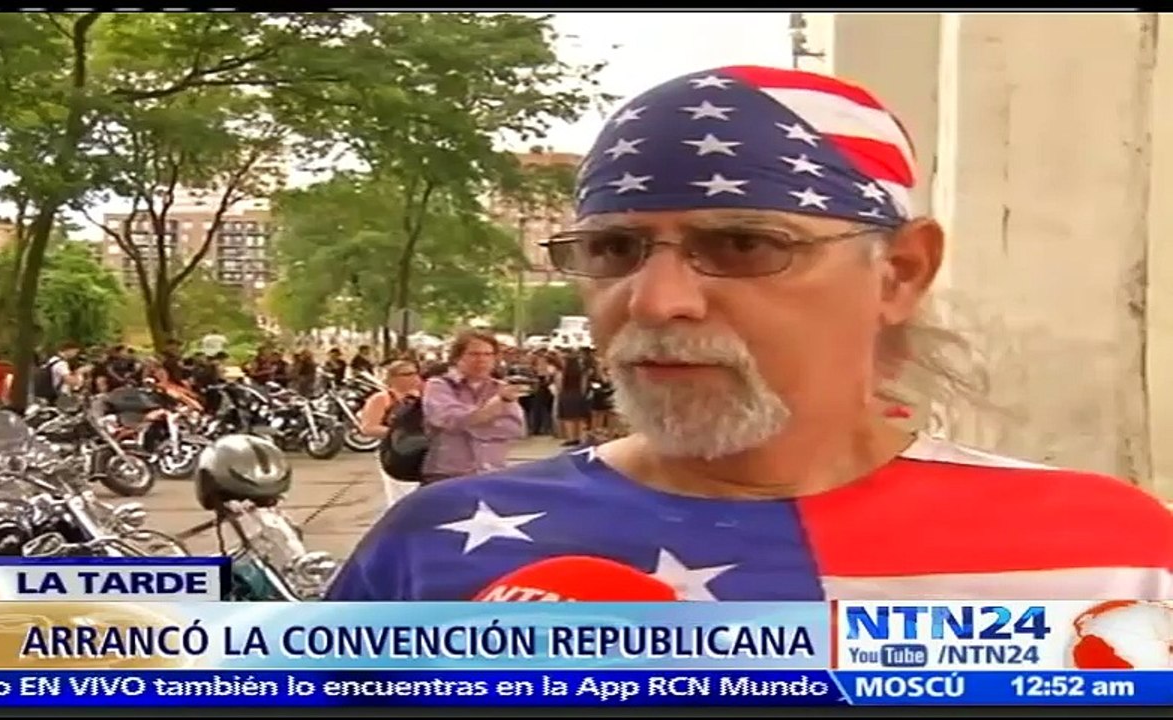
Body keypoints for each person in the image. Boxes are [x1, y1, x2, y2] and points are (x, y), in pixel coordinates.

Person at [325, 65, 1173, 602]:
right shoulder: (437, 545)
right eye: (613, 248)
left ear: (901, 273)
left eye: (742, 244)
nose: (656, 301)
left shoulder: (1112, 553)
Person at [417, 329, 527, 483]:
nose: (481, 360)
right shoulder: (439, 385)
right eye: (474, 354)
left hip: (492, 473)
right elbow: (450, 419)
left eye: (487, 354)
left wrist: (471, 423)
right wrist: (495, 407)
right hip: (449, 475)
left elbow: (513, 428)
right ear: (457, 357)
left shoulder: (500, 388)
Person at [357, 360, 424, 507]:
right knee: (402, 496)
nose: (414, 377)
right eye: (407, 374)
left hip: (423, 452)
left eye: (416, 373)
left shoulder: (424, 396)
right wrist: (400, 434)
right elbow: (368, 427)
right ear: (393, 378)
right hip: (397, 453)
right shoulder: (381, 399)